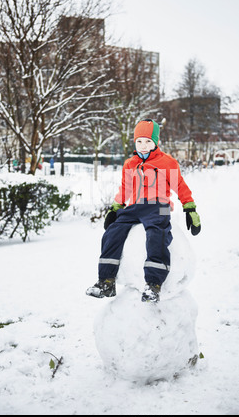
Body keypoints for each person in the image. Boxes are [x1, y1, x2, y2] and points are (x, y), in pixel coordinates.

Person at [86, 119, 201, 303]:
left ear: (156, 142)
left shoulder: (167, 163)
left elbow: (180, 186)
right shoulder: (130, 164)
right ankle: (106, 281)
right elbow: (125, 188)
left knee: (158, 234)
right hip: (136, 207)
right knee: (113, 232)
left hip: (159, 206)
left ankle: (153, 285)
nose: (143, 146)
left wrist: (190, 208)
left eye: (148, 141)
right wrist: (116, 207)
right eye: (139, 141)